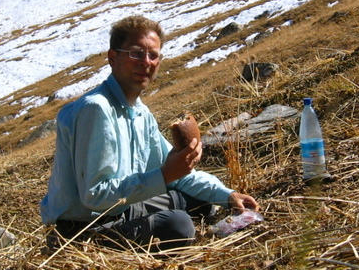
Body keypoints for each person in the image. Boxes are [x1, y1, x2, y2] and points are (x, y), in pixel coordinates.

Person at [40, 15, 259, 252]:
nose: (146, 62)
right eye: (136, 53)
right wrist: (164, 175)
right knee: (179, 225)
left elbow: (178, 174)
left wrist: (227, 195)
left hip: (122, 210)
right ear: (113, 57)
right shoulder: (97, 110)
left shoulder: (140, 112)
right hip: (84, 229)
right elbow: (95, 196)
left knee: (201, 199)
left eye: (153, 55)